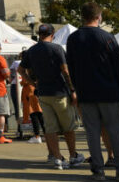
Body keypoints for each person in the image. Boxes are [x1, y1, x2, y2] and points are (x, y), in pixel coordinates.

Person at [67, 2, 119, 181]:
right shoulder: (107, 37)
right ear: (99, 17)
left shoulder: (73, 38)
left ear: (83, 16)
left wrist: (77, 89)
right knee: (115, 132)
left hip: (86, 93)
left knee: (92, 133)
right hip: (109, 92)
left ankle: (98, 171)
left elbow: (71, 67)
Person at [19, 23, 84, 170]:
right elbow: (65, 71)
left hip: (43, 93)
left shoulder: (32, 50)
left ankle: (57, 157)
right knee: (68, 127)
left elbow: (21, 70)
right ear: (52, 34)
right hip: (59, 92)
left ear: (39, 34)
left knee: (50, 128)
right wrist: (72, 89)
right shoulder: (56, 48)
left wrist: (33, 83)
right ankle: (73, 156)